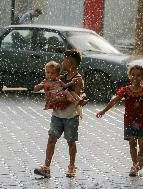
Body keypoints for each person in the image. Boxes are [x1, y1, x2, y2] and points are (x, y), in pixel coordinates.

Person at [34, 50, 86, 178]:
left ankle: (72, 167)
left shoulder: (77, 79)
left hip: (71, 116)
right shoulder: (60, 77)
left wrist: (57, 98)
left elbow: (75, 97)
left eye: (64, 59)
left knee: (71, 141)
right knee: (51, 139)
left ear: (70, 62)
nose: (62, 62)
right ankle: (46, 167)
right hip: (57, 115)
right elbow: (50, 87)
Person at [96, 65, 143, 177]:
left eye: (138, 75)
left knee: (142, 143)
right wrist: (103, 111)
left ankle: (141, 154)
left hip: (142, 121)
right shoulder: (126, 90)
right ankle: (134, 165)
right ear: (129, 76)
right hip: (130, 120)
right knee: (132, 142)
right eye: (133, 75)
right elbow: (114, 101)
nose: (135, 77)